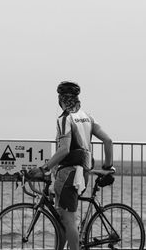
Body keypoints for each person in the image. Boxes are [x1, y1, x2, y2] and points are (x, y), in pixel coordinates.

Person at [29, 81, 113, 250]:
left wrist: (43, 169)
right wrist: (107, 167)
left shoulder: (64, 119)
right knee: (62, 217)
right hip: (83, 173)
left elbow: (64, 150)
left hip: (69, 173)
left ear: (60, 100)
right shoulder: (88, 117)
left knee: (69, 220)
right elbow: (108, 141)